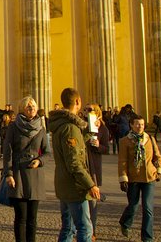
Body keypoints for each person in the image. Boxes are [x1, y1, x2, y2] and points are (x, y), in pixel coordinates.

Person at [50, 87, 100, 242]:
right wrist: (90, 184)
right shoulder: (71, 128)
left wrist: (90, 131)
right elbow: (74, 162)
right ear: (77, 101)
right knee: (85, 228)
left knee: (68, 228)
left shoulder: (62, 124)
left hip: (64, 183)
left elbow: (74, 147)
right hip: (75, 186)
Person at [2, 96, 48, 242]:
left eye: (33, 106)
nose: (32, 109)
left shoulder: (41, 128)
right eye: (29, 107)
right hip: (18, 174)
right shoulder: (14, 127)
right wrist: (8, 173)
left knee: (32, 219)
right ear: (22, 109)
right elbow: (7, 152)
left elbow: (47, 152)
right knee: (21, 217)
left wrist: (39, 161)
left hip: (35, 174)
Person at [117, 115, 161, 241]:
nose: (140, 127)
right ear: (131, 125)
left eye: (142, 124)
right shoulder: (125, 141)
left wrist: (159, 170)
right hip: (133, 178)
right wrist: (123, 178)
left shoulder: (150, 139)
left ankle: (147, 237)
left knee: (148, 208)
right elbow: (122, 161)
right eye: (137, 124)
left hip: (149, 177)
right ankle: (125, 222)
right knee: (133, 205)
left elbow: (157, 156)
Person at [85, 104, 109, 233]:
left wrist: (99, 146)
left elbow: (106, 149)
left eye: (89, 110)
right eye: (85, 110)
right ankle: (81, 229)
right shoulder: (82, 126)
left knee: (92, 202)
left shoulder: (103, 129)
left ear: (97, 112)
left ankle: (92, 230)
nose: (86, 112)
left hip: (93, 166)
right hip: (81, 165)